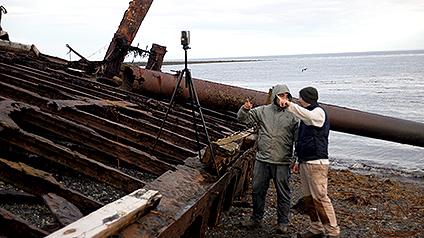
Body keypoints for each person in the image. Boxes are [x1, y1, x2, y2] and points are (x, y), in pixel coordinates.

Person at [278, 86, 341, 238]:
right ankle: (316, 228)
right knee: (308, 198)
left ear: (306, 99)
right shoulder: (306, 118)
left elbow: (307, 115)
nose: (298, 100)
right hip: (306, 161)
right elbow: (303, 139)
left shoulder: (318, 113)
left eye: (300, 98)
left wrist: (289, 104)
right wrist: (298, 160)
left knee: (320, 197)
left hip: (317, 162)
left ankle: (333, 232)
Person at [237, 84, 299, 234]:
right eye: (281, 96)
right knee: (257, 189)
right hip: (263, 159)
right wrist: (244, 109)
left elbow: (299, 140)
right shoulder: (263, 111)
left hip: (282, 161)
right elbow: (243, 119)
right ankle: (256, 219)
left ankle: (283, 222)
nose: (284, 99)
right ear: (275, 97)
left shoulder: (293, 115)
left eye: (286, 96)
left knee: (283, 192)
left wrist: (296, 158)